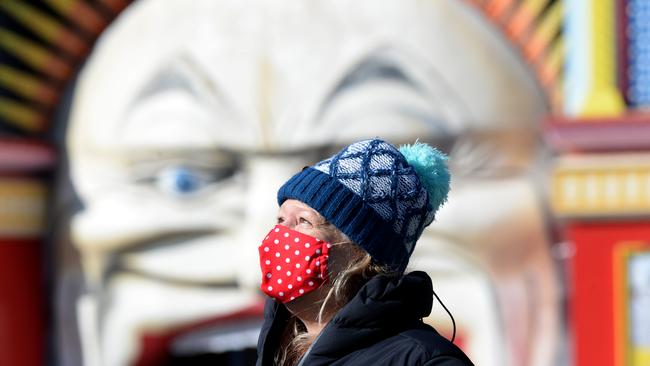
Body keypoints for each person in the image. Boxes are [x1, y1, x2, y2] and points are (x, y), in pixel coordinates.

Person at [255, 138, 474, 365]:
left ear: (362, 253)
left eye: (304, 221)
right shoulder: (276, 353)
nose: (280, 234)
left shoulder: (424, 361)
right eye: (280, 220)